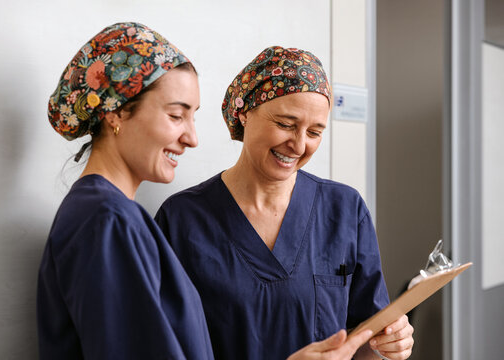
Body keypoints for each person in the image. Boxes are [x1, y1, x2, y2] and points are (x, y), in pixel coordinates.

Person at [37, 23, 374, 360]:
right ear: (117, 114)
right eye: (175, 115)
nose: (192, 138)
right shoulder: (109, 221)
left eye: (193, 117)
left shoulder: (113, 216)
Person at [156, 46, 414, 360]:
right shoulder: (182, 219)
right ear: (244, 112)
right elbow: (165, 346)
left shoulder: (345, 209)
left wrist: (389, 346)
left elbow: (363, 342)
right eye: (286, 124)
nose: (299, 145)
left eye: (315, 132)